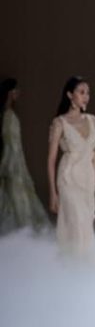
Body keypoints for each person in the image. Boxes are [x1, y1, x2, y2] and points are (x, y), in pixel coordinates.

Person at [48, 77, 95, 257]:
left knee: (85, 225)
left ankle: (82, 267)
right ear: (69, 95)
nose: (86, 96)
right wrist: (53, 193)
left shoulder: (92, 120)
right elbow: (51, 159)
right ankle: (72, 264)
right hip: (68, 179)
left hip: (87, 180)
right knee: (75, 224)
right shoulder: (60, 123)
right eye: (81, 92)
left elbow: (92, 156)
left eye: (88, 93)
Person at [0, 78, 50, 234]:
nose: (18, 93)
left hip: (15, 162)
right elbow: (11, 145)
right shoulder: (8, 116)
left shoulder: (8, 115)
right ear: (10, 93)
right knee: (15, 197)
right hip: (13, 164)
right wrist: (9, 165)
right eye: (16, 90)